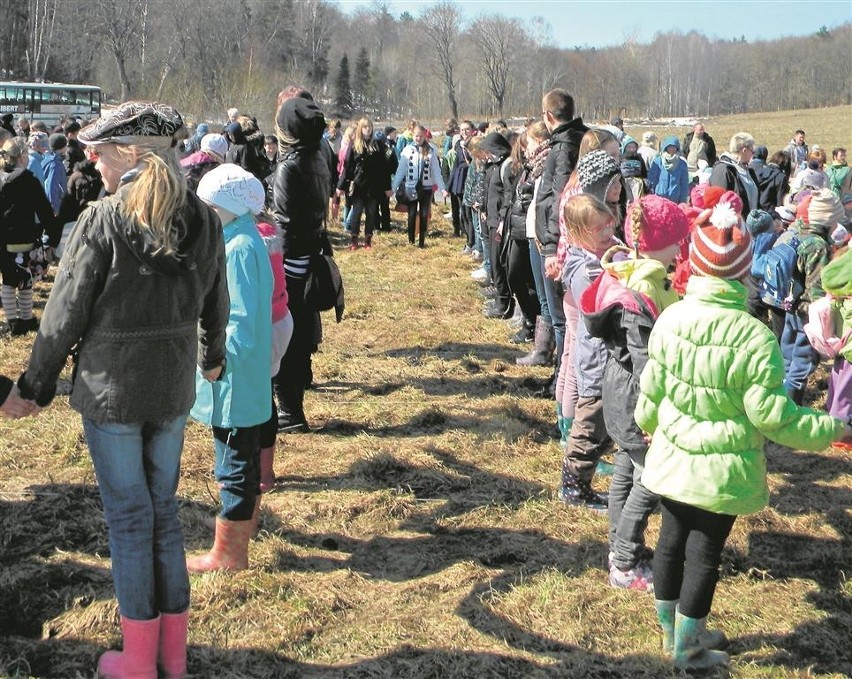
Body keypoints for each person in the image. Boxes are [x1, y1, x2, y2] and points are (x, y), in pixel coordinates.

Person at [17, 101, 229, 679]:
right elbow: (218, 304)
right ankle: (172, 659)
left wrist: (33, 387)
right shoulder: (206, 219)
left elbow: (62, 314)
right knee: (162, 514)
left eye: (101, 150)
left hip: (112, 390)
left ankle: (137, 662)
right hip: (171, 386)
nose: (91, 158)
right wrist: (211, 361)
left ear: (132, 155)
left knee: (132, 520)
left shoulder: (102, 220)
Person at [635, 193, 848, 671]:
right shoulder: (754, 337)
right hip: (723, 471)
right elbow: (774, 416)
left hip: (670, 457)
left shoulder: (670, 318)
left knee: (669, 541)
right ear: (743, 270)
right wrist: (832, 427)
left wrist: (650, 429)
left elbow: (651, 391)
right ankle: (689, 650)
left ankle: (671, 634)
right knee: (704, 555)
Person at [187, 163, 273, 573]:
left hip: (233, 373)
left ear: (226, 206)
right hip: (243, 372)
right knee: (242, 454)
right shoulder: (242, 237)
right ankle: (240, 522)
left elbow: (235, 317)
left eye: (207, 204)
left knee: (234, 460)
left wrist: (217, 362)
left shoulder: (236, 248)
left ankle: (230, 552)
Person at [559, 150, 624, 512]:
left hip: (607, 359)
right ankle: (573, 484)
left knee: (602, 424)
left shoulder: (599, 254)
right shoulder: (582, 267)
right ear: (583, 234)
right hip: (596, 362)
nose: (610, 232)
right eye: (602, 229)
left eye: (611, 225)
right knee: (589, 425)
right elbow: (597, 302)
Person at [272, 96, 331, 432]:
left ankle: (290, 412)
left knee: (285, 334)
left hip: (291, 256)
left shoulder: (289, 165)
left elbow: (282, 222)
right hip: (310, 252)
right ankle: (296, 399)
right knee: (300, 328)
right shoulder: (317, 155)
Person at [536, 89, 589, 399]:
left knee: (563, 320)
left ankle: (563, 382)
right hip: (561, 242)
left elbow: (560, 200)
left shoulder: (565, 146)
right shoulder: (572, 140)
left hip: (560, 247)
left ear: (549, 117)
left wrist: (551, 246)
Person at [777, 189, 844, 404]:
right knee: (802, 365)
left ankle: (778, 400)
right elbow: (816, 287)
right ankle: (790, 409)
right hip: (806, 314)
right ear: (829, 219)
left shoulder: (798, 232)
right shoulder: (818, 245)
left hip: (790, 305)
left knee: (787, 359)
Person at [0, 137, 57, 336]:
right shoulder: (29, 180)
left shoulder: (1, 178)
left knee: (8, 280)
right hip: (25, 236)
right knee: (26, 279)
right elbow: (44, 211)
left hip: (3, 240)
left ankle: (13, 320)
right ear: (22, 156)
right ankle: (25, 317)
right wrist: (52, 235)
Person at [337, 117, 390, 250]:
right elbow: (347, 167)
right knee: (357, 212)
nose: (367, 129)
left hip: (374, 186)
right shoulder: (354, 145)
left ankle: (368, 240)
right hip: (359, 186)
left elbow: (384, 169)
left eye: (369, 127)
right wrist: (340, 186)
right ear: (360, 129)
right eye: (365, 127)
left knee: (372, 213)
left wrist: (387, 187)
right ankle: (354, 239)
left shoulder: (377, 145)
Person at [391, 124, 447, 248]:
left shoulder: (431, 150)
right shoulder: (407, 150)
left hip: (426, 188)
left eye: (421, 136)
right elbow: (400, 171)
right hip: (411, 187)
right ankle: (411, 241)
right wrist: (393, 188)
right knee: (411, 215)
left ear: (424, 136)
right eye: (416, 136)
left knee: (423, 214)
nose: (418, 138)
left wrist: (442, 188)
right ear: (413, 136)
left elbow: (436, 171)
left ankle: (422, 241)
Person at [710, 133, 759, 216]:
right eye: (752, 151)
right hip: (732, 223)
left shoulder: (749, 171)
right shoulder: (723, 169)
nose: (753, 155)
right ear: (744, 150)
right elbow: (718, 201)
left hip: (749, 224)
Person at [647, 136, 689, 204]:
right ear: (665, 147)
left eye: (674, 147)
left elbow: (684, 183)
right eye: (670, 147)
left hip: (675, 200)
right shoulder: (658, 161)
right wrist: (651, 196)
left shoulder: (682, 163)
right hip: (659, 198)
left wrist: (683, 201)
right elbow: (652, 180)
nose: (672, 149)